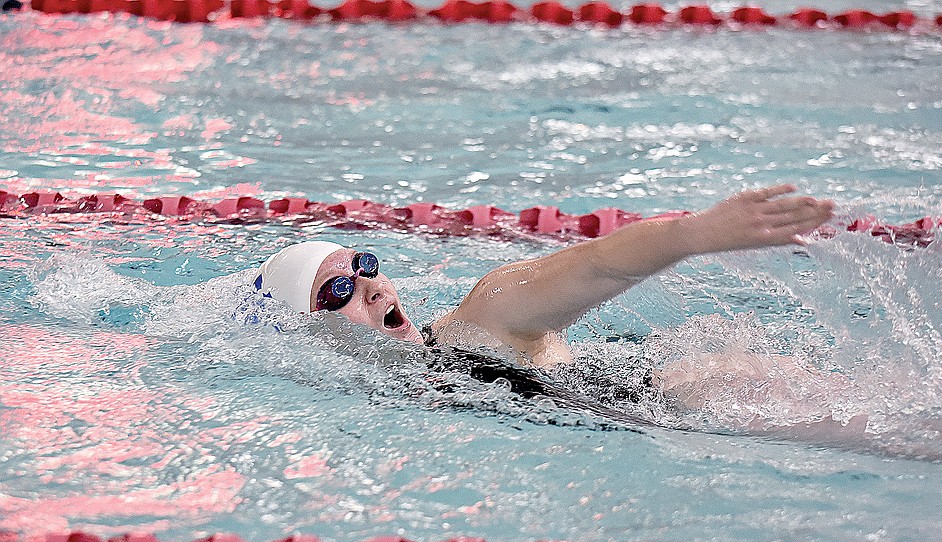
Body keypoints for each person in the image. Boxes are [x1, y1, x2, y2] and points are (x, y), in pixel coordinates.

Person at [254, 184, 835, 370]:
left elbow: (597, 263)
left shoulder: (481, 318)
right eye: (338, 290)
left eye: (364, 266)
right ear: (309, 332)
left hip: (703, 394)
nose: (371, 285)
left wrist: (698, 235)